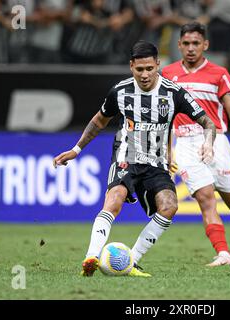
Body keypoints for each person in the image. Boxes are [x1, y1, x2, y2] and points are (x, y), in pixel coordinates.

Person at [53, 40, 216, 276]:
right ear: (131, 66)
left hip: (157, 165)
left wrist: (208, 143)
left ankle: (131, 260)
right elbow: (100, 120)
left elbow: (207, 122)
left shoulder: (174, 93)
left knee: (169, 206)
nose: (145, 74)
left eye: (150, 68)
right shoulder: (120, 91)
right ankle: (91, 257)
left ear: (158, 65)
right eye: (140, 69)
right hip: (125, 158)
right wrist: (76, 150)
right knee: (114, 199)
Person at [162, 22, 230, 266]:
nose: (190, 48)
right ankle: (224, 254)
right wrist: (167, 150)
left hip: (216, 140)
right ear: (179, 45)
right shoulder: (167, 74)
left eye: (196, 43)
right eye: (186, 43)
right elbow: (164, 116)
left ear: (205, 45)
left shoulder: (219, 74)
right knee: (206, 198)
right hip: (186, 142)